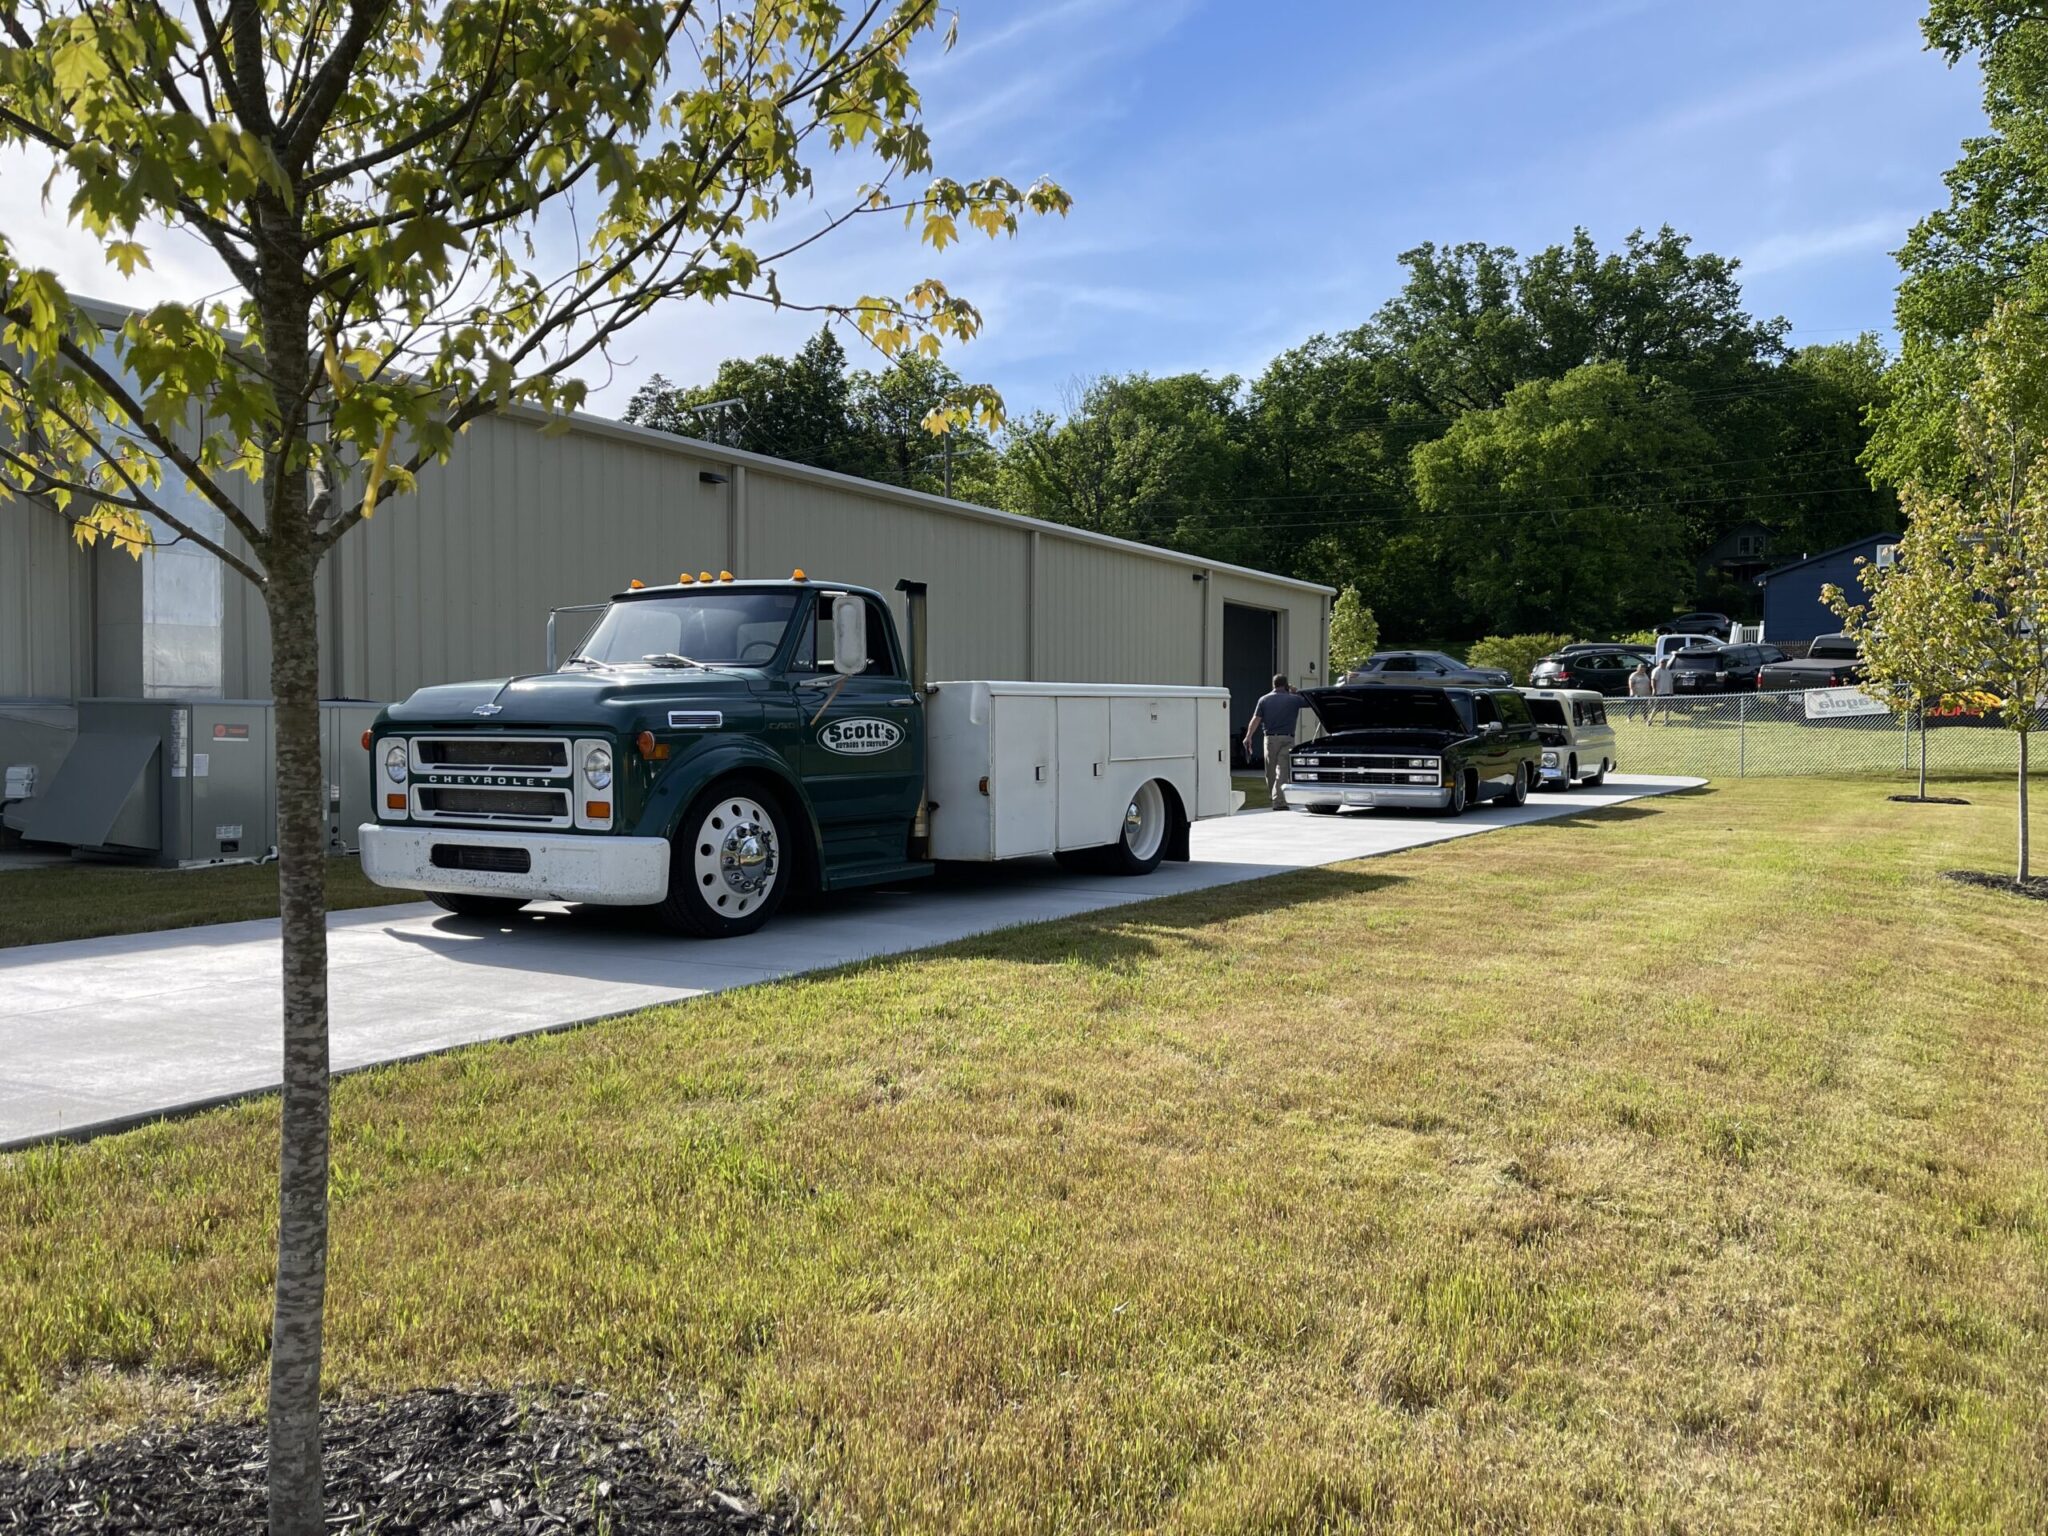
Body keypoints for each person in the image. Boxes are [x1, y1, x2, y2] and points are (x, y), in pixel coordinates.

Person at [1244, 674, 1306, 811]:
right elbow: (1308, 701)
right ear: (1286, 685)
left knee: (1270, 771)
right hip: (1288, 739)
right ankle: (1278, 799)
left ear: (1273, 684)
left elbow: (1256, 719)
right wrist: (1297, 691)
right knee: (1282, 771)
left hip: (1270, 739)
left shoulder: (1264, 700)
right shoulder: (1294, 699)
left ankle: (1276, 799)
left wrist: (1248, 736)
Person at [1650, 654, 1676, 724]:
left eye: (1665, 662)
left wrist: (1671, 691)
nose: (1663, 664)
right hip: (1659, 692)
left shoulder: (1667, 670)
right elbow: (1653, 680)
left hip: (1668, 692)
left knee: (1667, 707)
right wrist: (1654, 689)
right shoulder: (1656, 670)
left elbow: (1670, 682)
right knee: (1657, 708)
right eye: (1662, 662)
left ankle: (1666, 720)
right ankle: (1650, 720)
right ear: (1659, 663)